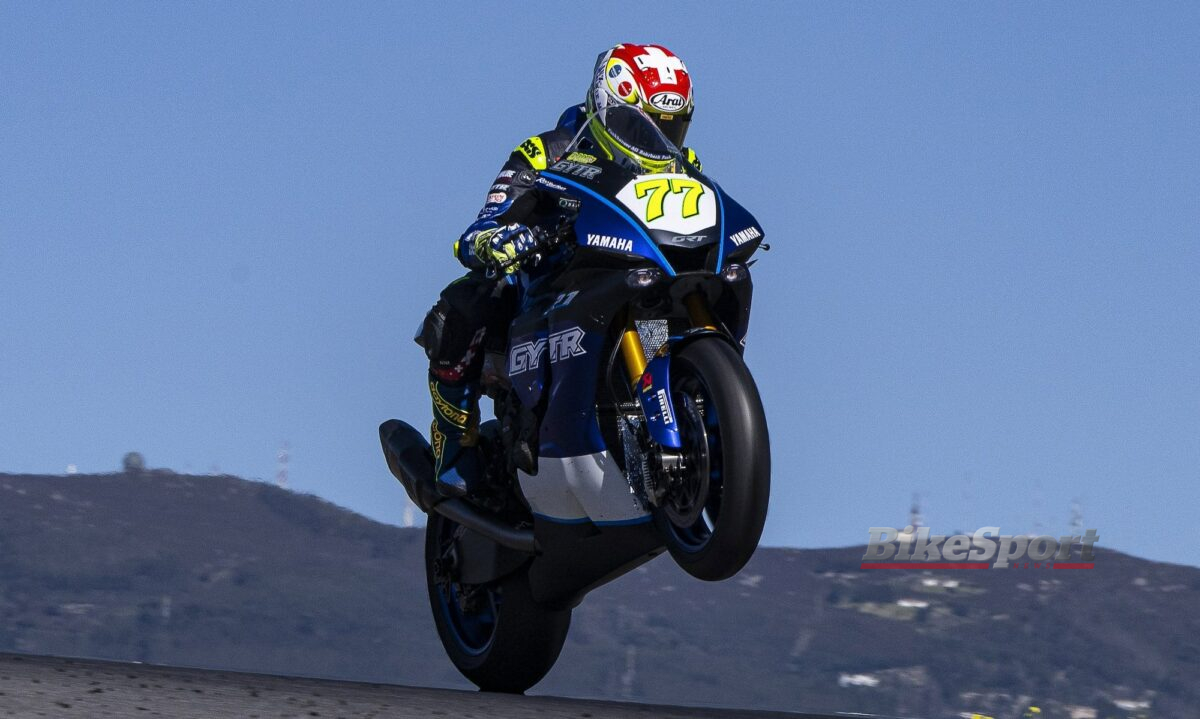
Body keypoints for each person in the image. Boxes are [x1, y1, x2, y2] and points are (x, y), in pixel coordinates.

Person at [417, 43, 703, 497]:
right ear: (608, 110)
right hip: (552, 287)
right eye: (641, 128)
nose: (661, 145)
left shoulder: (680, 168)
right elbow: (491, 216)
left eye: (672, 130)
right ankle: (454, 457)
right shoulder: (546, 151)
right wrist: (497, 237)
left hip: (639, 281)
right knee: (463, 304)